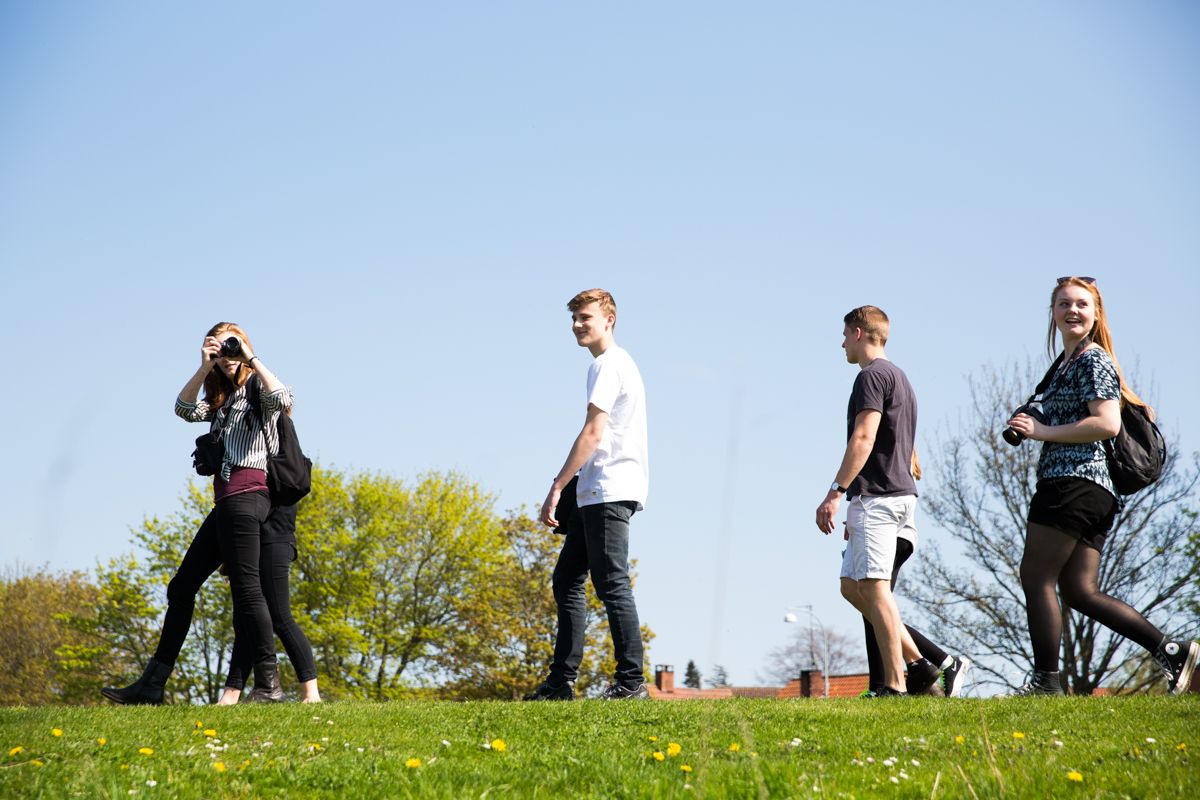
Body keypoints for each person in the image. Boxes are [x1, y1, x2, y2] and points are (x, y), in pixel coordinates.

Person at [1007, 276, 1198, 695]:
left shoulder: (1093, 360)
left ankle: (1046, 683)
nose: (1072, 311)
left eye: (1081, 304)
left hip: (1073, 482)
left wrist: (1041, 431)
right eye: (1063, 304)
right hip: (1093, 491)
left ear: (1096, 314)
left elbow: (1107, 423)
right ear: (1053, 314)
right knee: (1079, 590)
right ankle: (1173, 651)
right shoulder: (1064, 365)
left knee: (1036, 576)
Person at [101, 322, 292, 705]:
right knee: (182, 587)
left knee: (247, 591)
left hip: (248, 496)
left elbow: (284, 398)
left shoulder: (256, 387)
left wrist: (249, 357)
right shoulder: (220, 400)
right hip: (225, 503)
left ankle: (269, 685)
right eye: (219, 348)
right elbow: (183, 409)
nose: (226, 354)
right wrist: (205, 366)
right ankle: (153, 684)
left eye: (230, 346)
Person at [525, 288, 650, 701]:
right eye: (574, 318)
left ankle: (632, 682)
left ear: (609, 320)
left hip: (609, 489)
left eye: (586, 318)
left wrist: (557, 485)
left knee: (612, 583)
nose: (578, 325)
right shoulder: (609, 364)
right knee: (567, 579)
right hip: (596, 490)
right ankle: (561, 682)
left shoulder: (609, 365)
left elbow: (594, 433)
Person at [815, 305, 922, 697]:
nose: (842, 343)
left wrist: (836, 493)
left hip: (879, 498)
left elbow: (864, 438)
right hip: (891, 496)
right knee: (851, 586)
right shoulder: (901, 378)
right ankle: (923, 664)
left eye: (844, 334)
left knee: (876, 588)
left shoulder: (872, 377)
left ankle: (895, 684)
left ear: (859, 333)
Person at [858, 451, 971, 697]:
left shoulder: (890, 453)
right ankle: (889, 681)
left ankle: (941, 662)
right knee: (873, 606)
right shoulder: (899, 452)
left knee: (877, 605)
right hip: (897, 534)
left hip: (890, 533)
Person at [216, 503, 321, 704]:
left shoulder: (276, 473)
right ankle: (231, 694)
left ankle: (312, 693)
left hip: (275, 539)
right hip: (251, 542)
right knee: (246, 621)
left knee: (280, 616)